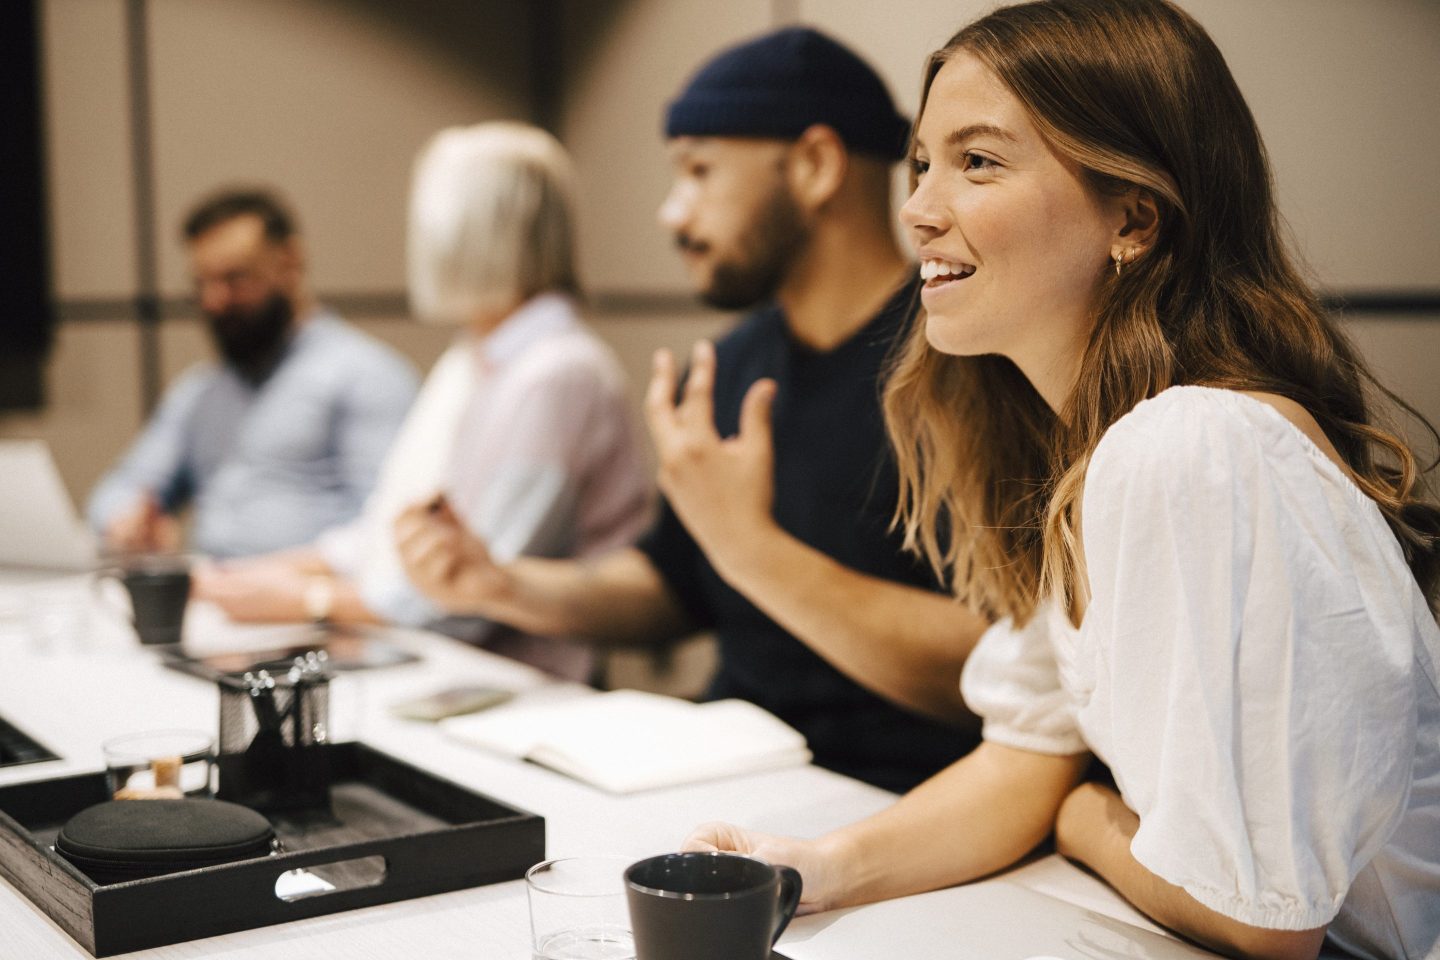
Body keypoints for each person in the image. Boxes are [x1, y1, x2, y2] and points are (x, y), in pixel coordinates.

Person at [683, 2, 1440, 959]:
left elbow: (1263, 923)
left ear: (1133, 216)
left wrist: (1086, 815)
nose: (917, 208)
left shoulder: (1193, 444)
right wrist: (809, 868)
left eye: (979, 162)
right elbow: (1025, 754)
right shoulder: (1107, 445)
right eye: (923, 163)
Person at [395, 27, 990, 792]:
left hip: (895, 791)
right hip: (724, 764)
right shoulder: (734, 361)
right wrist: (502, 585)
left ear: (814, 165)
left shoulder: (962, 360)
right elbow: (674, 585)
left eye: (700, 171)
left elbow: (1001, 668)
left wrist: (754, 549)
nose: (672, 214)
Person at [193, 124, 651, 683]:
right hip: (437, 665)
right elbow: (391, 524)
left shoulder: (558, 374)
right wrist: (250, 576)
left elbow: (463, 591)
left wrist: (311, 598)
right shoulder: (471, 358)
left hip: (522, 686)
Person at [87, 188, 418, 559]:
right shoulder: (200, 392)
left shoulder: (365, 377)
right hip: (211, 597)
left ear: (290, 262)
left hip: (311, 602)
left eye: (235, 279)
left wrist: (295, 582)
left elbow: (392, 527)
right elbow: (120, 487)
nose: (215, 301)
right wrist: (127, 522)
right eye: (202, 285)